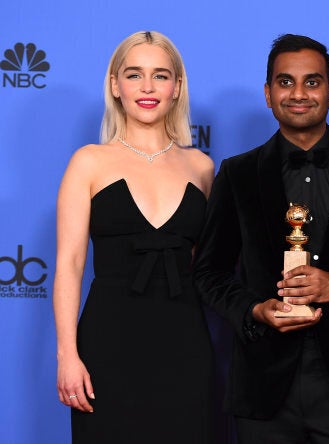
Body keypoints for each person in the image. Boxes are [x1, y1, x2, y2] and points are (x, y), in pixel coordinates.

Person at [193, 34, 329, 443]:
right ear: (267, 93)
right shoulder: (237, 174)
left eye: (312, 82)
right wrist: (255, 310)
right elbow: (209, 272)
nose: (298, 93)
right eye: (285, 82)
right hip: (262, 391)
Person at [53, 31, 215, 443]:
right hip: (108, 340)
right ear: (114, 85)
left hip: (184, 340)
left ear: (176, 88)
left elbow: (203, 262)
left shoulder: (201, 166)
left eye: (160, 76)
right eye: (134, 74)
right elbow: (70, 265)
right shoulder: (88, 162)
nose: (147, 87)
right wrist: (67, 355)